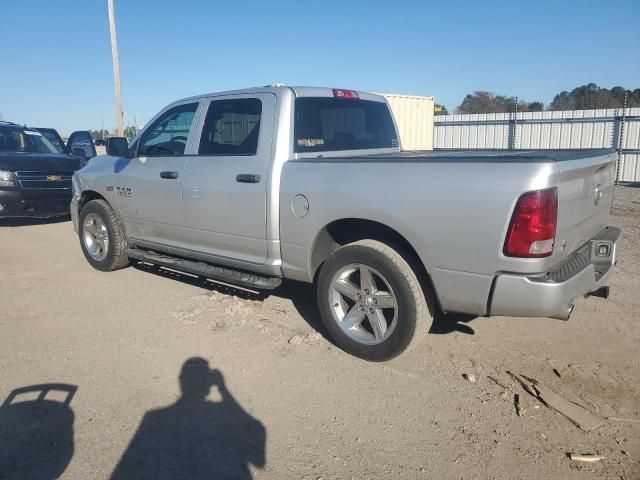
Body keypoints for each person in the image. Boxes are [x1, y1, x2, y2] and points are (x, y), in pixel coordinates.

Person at [111, 358, 265, 479]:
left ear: (180, 380)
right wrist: (223, 389)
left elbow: (129, 467)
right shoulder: (153, 417)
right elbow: (258, 460)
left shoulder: (153, 417)